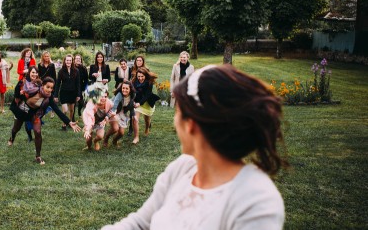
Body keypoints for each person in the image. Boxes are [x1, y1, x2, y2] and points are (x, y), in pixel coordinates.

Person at [101, 64, 287, 230]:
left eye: (178, 112)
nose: (175, 123)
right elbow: (141, 223)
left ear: (191, 124)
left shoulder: (256, 201)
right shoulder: (182, 168)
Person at [8, 66, 80, 164]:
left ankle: (38, 156)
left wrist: (69, 122)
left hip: (35, 114)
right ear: (42, 86)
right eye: (48, 87)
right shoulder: (33, 89)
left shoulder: (48, 98)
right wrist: (20, 94)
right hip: (23, 110)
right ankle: (12, 138)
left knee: (37, 131)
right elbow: (20, 95)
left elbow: (57, 110)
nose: (49, 90)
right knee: (16, 128)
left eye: (51, 88)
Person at [103, 81, 136, 147]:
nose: (124, 90)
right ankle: (106, 138)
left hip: (122, 111)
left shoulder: (133, 95)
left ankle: (114, 141)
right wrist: (107, 116)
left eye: (127, 88)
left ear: (130, 89)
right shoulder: (119, 94)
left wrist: (133, 115)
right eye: (123, 88)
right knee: (115, 129)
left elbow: (131, 105)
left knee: (121, 133)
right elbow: (114, 107)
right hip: (113, 110)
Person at [132, 67, 160, 144]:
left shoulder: (149, 82)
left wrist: (140, 103)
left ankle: (147, 128)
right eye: (139, 76)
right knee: (135, 119)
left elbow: (147, 95)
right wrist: (134, 101)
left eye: (142, 76)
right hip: (138, 102)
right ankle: (136, 137)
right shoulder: (134, 81)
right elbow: (132, 93)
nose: (140, 78)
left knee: (147, 119)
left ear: (145, 76)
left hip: (147, 102)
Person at [54, 54, 81, 130]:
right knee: (65, 110)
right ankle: (64, 124)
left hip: (73, 93)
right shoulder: (61, 71)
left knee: (72, 110)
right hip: (64, 93)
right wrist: (55, 95)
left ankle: (70, 122)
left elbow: (78, 83)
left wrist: (78, 94)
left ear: (72, 61)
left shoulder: (76, 71)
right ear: (65, 61)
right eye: (67, 60)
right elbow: (58, 83)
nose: (68, 62)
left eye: (70, 60)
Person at [0, 49, 12, 114]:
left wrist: (11, 65)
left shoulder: (3, 61)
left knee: (3, 95)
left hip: (3, 80)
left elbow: (7, 69)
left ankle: (2, 109)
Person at [38, 50, 57, 118]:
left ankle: (52, 111)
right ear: (43, 57)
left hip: (51, 84)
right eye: (45, 56)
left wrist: (54, 85)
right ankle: (43, 112)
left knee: (51, 98)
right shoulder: (40, 65)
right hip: (43, 84)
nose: (46, 57)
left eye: (48, 56)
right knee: (42, 98)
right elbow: (39, 75)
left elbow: (54, 76)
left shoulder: (52, 65)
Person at [74, 54, 88, 119]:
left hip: (81, 86)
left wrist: (85, 88)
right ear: (74, 60)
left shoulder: (84, 68)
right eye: (76, 58)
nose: (78, 60)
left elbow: (86, 79)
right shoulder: (72, 68)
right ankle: (72, 117)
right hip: (73, 87)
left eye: (79, 58)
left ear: (81, 60)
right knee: (73, 102)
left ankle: (79, 111)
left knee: (81, 102)